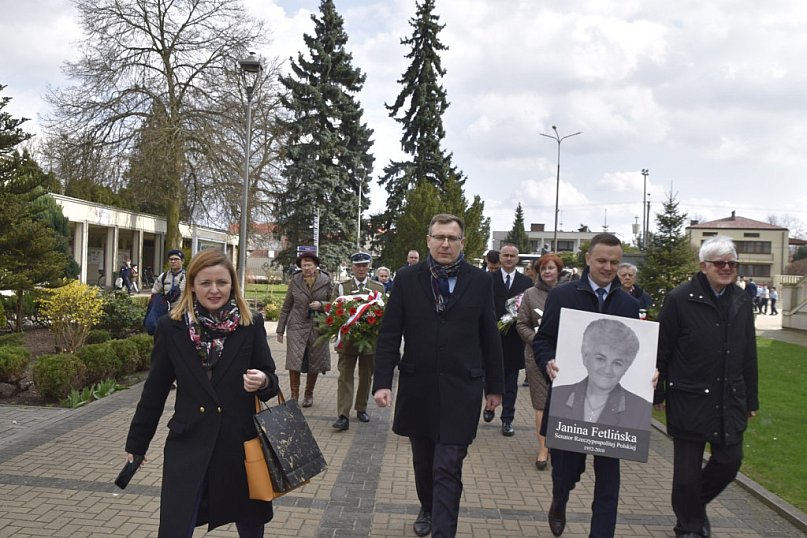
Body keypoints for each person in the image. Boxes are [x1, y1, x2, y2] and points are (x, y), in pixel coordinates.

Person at [124, 248, 280, 537]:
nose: (214, 290)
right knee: (176, 524)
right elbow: (154, 392)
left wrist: (264, 381)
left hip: (239, 443)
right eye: (206, 283)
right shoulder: (171, 327)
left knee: (250, 523)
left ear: (232, 283)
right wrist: (138, 443)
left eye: (221, 282)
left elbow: (271, 379)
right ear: (192, 285)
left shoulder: (250, 324)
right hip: (189, 442)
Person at [372, 213, 504, 538]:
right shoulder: (406, 278)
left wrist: (496, 387)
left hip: (462, 389)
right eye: (439, 237)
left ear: (463, 242)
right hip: (419, 388)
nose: (445, 244)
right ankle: (428, 506)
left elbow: (490, 335)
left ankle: (443, 530)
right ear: (428, 240)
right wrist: (383, 382)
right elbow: (390, 334)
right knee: (424, 462)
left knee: (448, 465)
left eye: (452, 238)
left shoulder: (480, 281)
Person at [533, 232, 645, 538]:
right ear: (588, 259)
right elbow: (543, 340)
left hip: (613, 410)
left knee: (609, 482)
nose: (609, 267)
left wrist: (648, 374)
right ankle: (560, 499)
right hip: (572, 401)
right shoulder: (563, 295)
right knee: (566, 473)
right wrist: (548, 362)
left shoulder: (628, 303)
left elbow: (635, 352)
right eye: (602, 261)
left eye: (614, 262)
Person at [656, 236, 758, 538]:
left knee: (729, 461)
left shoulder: (742, 300)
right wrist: (658, 391)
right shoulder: (679, 298)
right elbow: (662, 348)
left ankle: (691, 509)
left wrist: (751, 397)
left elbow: (748, 352)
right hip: (689, 397)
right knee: (686, 476)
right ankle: (689, 527)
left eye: (732, 263)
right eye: (719, 263)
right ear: (704, 266)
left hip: (729, 398)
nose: (726, 268)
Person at [549, 318, 650, 430]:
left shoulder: (641, 409)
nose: (607, 370)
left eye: (617, 363)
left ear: (627, 367)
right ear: (586, 357)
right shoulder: (558, 396)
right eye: (601, 359)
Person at [516, 254, 562, 470]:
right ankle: (543, 448)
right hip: (537, 358)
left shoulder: (568, 294)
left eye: (551, 267)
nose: (547, 272)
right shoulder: (530, 294)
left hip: (565, 357)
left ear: (558, 270)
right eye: (543, 268)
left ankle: (560, 443)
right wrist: (540, 341)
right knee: (541, 403)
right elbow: (521, 324)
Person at [331, 251, 385, 430]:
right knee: (344, 377)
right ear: (352, 267)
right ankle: (343, 414)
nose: (361, 268)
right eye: (358, 265)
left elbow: (382, 313)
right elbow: (333, 311)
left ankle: (361, 408)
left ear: (369, 266)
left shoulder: (378, 288)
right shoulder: (341, 287)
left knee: (365, 376)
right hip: (347, 341)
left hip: (369, 341)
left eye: (364, 265)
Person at [485, 244, 532, 436]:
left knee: (511, 382)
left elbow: (528, 308)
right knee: (489, 376)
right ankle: (489, 407)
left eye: (513, 255)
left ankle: (507, 419)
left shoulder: (526, 282)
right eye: (505, 255)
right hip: (491, 336)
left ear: (517, 258)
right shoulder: (488, 279)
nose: (509, 258)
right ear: (500, 258)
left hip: (513, 338)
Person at [276, 251, 331, 407]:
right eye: (304, 265)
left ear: (315, 266)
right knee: (294, 361)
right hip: (296, 326)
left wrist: (322, 305)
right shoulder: (295, 281)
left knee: (315, 360)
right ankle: (294, 395)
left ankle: (309, 394)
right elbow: (287, 306)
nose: (306, 268)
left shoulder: (326, 281)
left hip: (318, 326)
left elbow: (335, 303)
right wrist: (280, 330)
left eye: (309, 265)